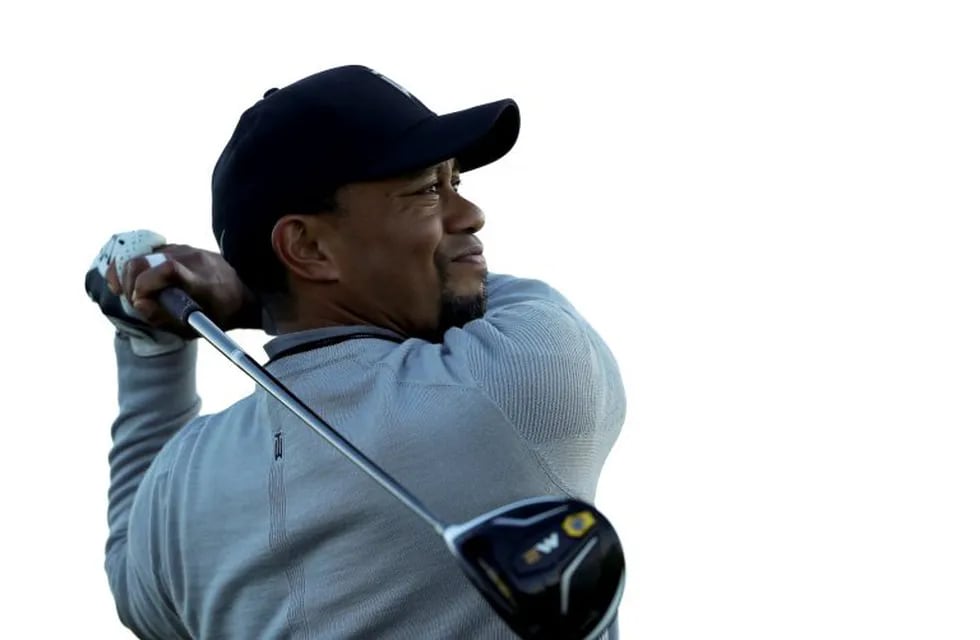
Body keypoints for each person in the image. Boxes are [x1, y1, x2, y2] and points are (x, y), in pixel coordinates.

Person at [86, 64, 627, 639]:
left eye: (456, 184)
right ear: (309, 247)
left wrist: (153, 343)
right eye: (426, 190)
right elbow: (493, 295)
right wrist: (249, 300)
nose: (468, 215)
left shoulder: (183, 481)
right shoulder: (507, 383)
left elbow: (130, 574)